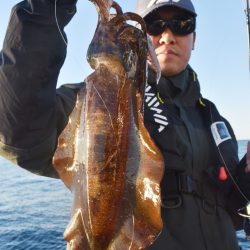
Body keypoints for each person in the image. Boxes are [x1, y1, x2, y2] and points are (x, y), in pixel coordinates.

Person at [0, 0, 249, 249]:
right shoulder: (97, 100)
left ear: (194, 38)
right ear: (139, 35)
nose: (167, 36)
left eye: (182, 25)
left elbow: (234, 212)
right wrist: (47, 6)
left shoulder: (215, 119)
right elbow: (18, 130)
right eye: (155, 25)